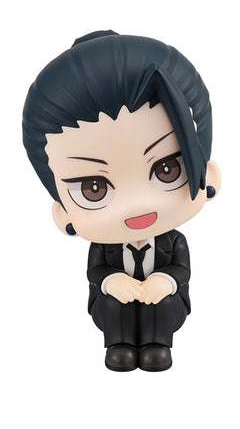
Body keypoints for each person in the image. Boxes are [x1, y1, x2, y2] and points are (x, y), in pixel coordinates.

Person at [22, 31, 221, 372]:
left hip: (165, 304)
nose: (137, 204)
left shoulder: (173, 241)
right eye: (94, 189)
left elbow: (181, 270)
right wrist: (112, 282)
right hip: (113, 308)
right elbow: (96, 271)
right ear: (64, 215)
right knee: (112, 304)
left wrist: (165, 281)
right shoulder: (103, 247)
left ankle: (158, 345)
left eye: (167, 169)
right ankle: (119, 345)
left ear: (209, 176)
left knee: (165, 303)